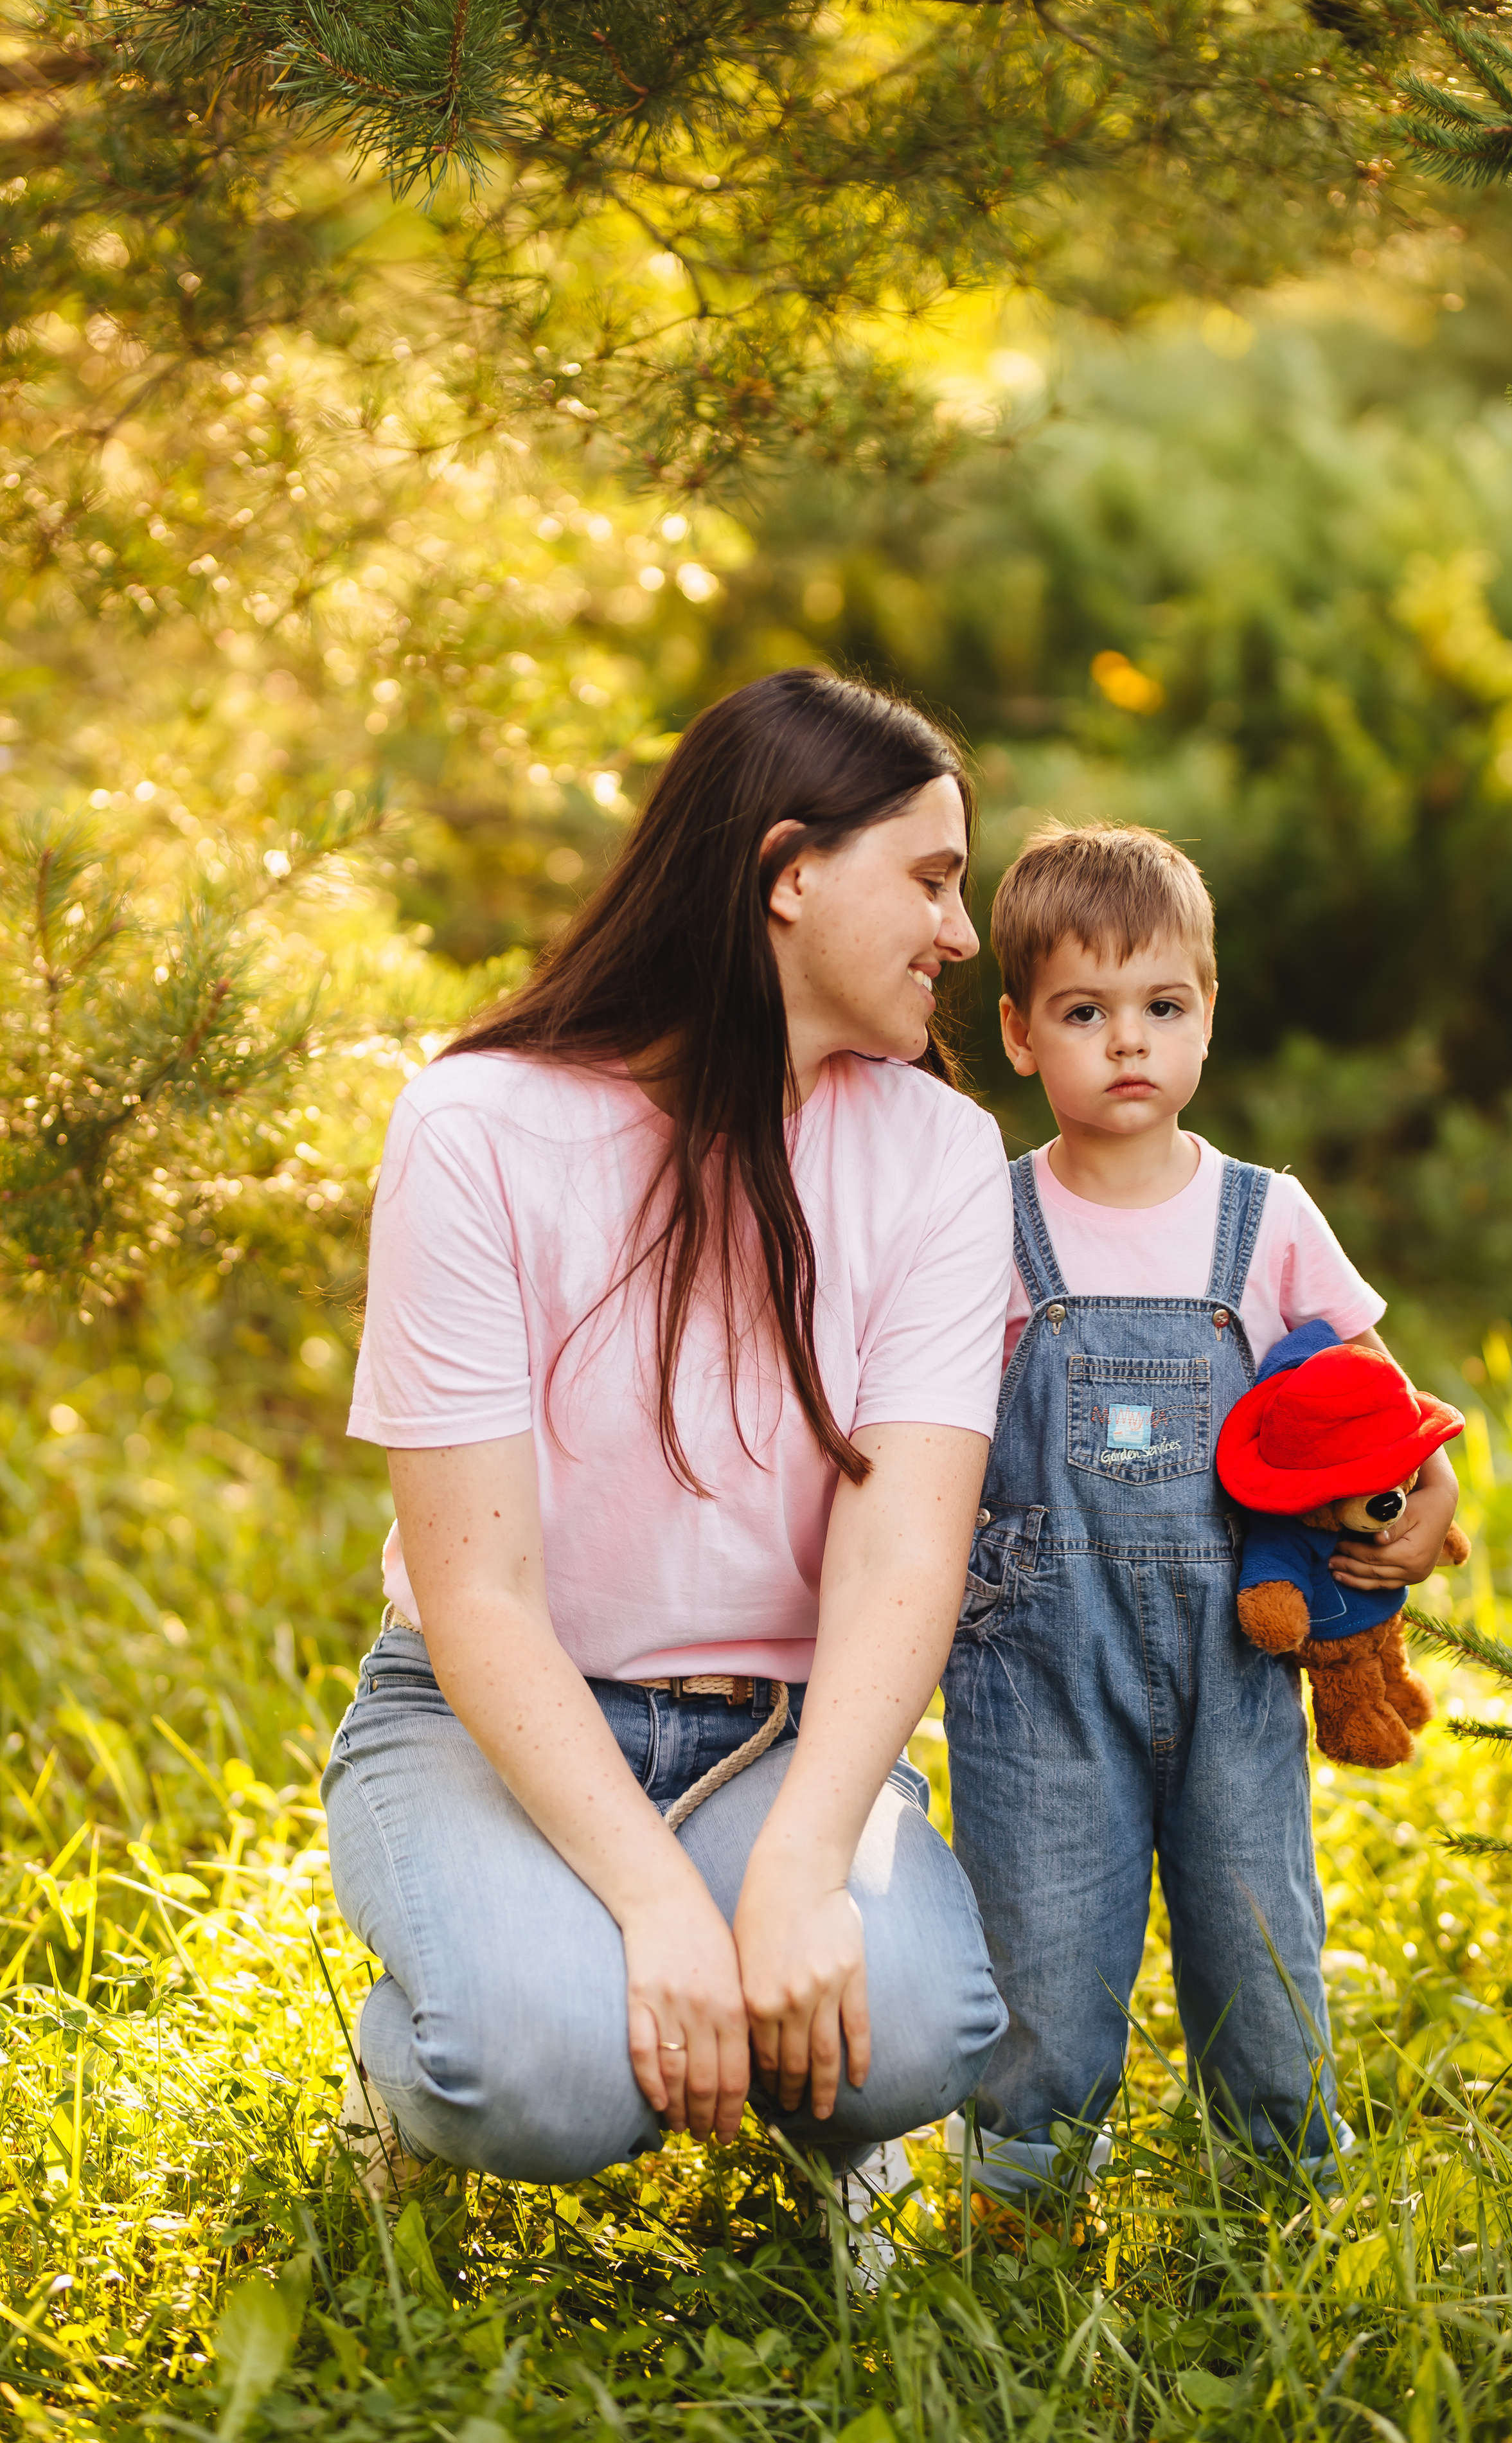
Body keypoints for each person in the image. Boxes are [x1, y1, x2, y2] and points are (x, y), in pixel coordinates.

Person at [322, 669, 1012, 2226]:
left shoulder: (941, 1157)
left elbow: (904, 1548)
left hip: (781, 1731)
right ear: (786, 877)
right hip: (489, 1715)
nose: (961, 935)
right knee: (553, 2077)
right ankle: (411, 2058)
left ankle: (776, 2027)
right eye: (930, 879)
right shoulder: (479, 1126)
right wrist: (651, 1900)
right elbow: (479, 1592)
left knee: (913, 2037)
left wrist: (804, 1866)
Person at [941, 823, 1461, 2196]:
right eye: (1082, 1012)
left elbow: (1371, 1395)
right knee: (1041, 1948)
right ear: (1015, 1032)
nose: (1127, 1043)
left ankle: (1282, 2186)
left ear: (1206, 1016)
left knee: (1257, 1933)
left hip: (1237, 1653)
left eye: (1160, 1007)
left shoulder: (1263, 1216)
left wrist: (1433, 1484)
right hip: (1036, 1668)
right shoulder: (986, 1224)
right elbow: (930, 1435)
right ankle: (1024, 2197)